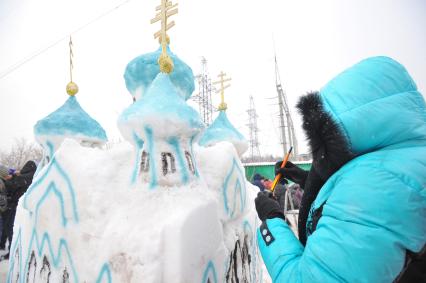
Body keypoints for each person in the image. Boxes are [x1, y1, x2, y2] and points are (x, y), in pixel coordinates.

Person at [255, 56, 426, 282]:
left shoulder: (373, 192)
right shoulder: (401, 160)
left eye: (321, 138)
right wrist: (307, 179)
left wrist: (273, 220)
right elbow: (343, 197)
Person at [0, 161, 37, 256]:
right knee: (11, 228)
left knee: (10, 228)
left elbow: (12, 185)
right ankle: (10, 248)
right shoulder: (33, 177)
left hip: (12, 206)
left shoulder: (22, 178)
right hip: (17, 207)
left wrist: (11, 177)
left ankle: (12, 251)